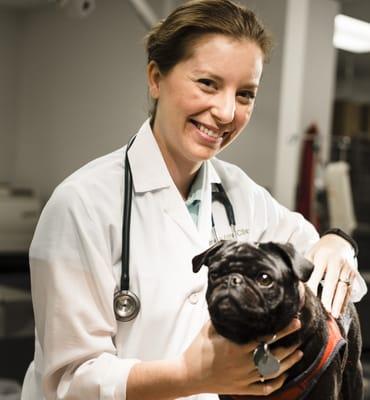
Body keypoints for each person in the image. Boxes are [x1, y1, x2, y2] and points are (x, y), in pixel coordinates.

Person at [21, 1, 366, 399]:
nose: (224, 112)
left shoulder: (243, 195)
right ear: (155, 77)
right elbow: (68, 382)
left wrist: (338, 241)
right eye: (207, 83)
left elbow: (319, 264)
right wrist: (189, 376)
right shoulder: (81, 205)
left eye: (245, 94)